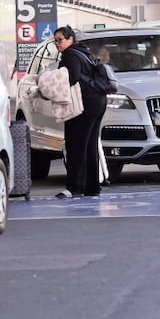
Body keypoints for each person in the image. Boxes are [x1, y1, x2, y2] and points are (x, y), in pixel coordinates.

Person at [53, 25, 108, 199]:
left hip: (83, 104)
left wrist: (54, 80)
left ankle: (74, 188)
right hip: (97, 101)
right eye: (55, 41)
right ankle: (92, 187)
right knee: (90, 145)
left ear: (70, 39)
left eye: (60, 40)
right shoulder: (83, 52)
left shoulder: (69, 54)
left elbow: (73, 77)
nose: (57, 44)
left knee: (75, 144)